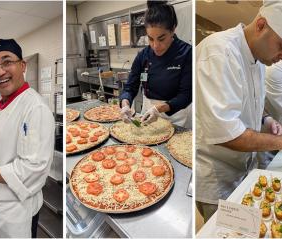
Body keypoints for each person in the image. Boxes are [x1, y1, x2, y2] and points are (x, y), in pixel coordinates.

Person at [196, 1, 282, 222]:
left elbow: (251, 102)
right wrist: (279, 142)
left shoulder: (260, 59)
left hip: (243, 169)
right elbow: (225, 132)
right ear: (261, 25)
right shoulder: (220, 51)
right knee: (226, 233)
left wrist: (267, 118)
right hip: (216, 180)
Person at [0, 39, 54, 237]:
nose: (0, 72)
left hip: (15, 214)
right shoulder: (2, 103)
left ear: (22, 66)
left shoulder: (34, 107)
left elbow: (32, 168)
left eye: (7, 62)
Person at [120, 0, 192, 127]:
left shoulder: (186, 53)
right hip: (147, 114)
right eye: (150, 38)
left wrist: (159, 109)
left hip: (176, 117)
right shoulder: (143, 55)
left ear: (173, 29)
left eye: (161, 38)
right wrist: (125, 104)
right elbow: (130, 87)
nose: (155, 46)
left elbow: (186, 95)